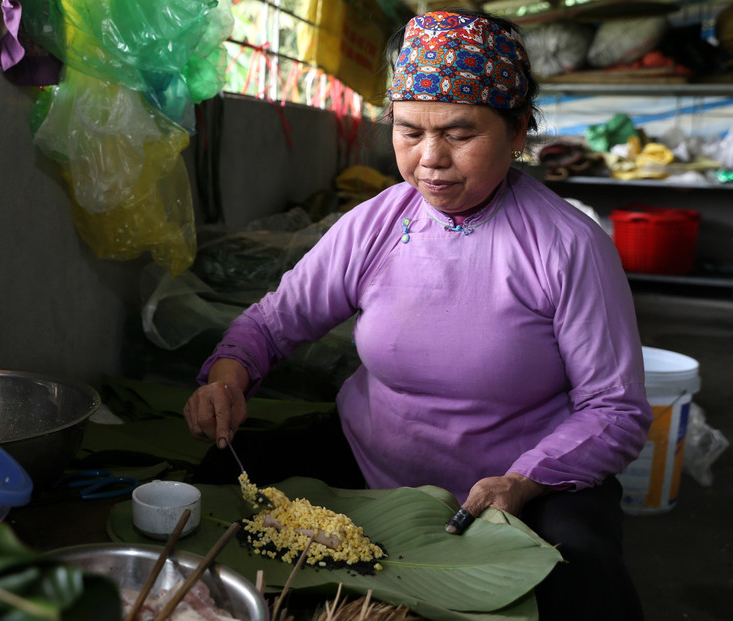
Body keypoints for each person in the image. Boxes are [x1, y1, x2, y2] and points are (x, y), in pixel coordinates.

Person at [182, 8, 652, 620]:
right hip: (369, 459)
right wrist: (227, 380)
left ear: (516, 132)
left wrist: (523, 481)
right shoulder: (376, 225)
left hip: (521, 484)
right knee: (219, 481)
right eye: (408, 131)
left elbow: (614, 409)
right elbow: (273, 323)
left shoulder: (567, 246)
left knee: (582, 572)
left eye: (459, 134)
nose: (430, 158)